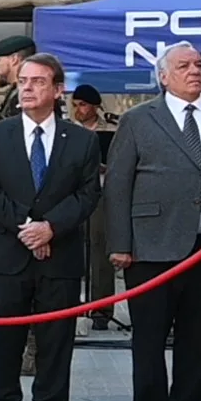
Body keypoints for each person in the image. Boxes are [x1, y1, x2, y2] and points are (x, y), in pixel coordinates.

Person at [0, 53, 100, 401]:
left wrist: (51, 228)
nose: (26, 88)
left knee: (56, 340)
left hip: (59, 254)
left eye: (37, 81)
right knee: (4, 340)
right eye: (23, 81)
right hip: (6, 254)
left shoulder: (82, 139)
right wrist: (28, 227)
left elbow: (88, 193)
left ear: (58, 90)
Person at [104, 41, 201, 401]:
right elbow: (118, 184)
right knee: (150, 339)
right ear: (163, 75)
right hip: (151, 248)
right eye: (184, 65)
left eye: (199, 64)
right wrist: (120, 243)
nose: (195, 70)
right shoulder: (140, 120)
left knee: (197, 339)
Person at [69, 84, 117, 330]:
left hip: (99, 195)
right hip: (70, 196)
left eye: (83, 105)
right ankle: (70, 306)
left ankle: (101, 310)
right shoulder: (66, 132)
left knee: (100, 251)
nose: (79, 110)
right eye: (75, 105)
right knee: (70, 250)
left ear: (95, 107)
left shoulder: (110, 132)